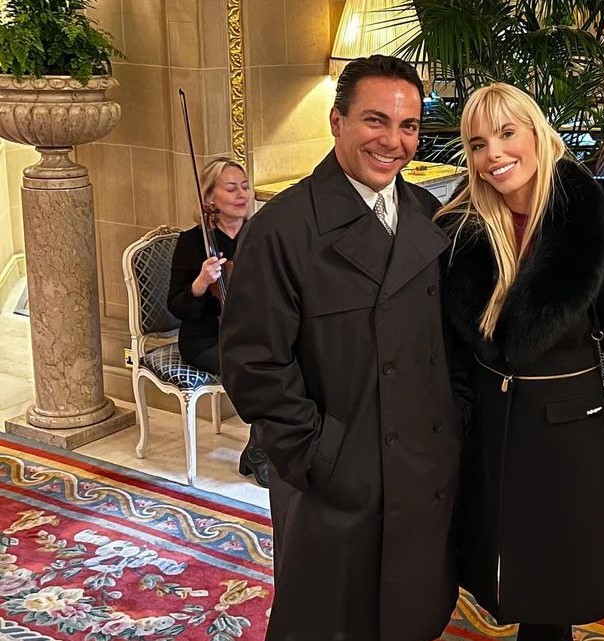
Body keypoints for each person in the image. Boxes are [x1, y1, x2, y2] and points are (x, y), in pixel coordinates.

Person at [219, 55, 461, 641]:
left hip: (422, 471)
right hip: (334, 481)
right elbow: (254, 365)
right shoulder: (282, 229)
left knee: (411, 619)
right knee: (329, 623)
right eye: (376, 120)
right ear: (337, 121)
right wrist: (320, 457)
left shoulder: (430, 215)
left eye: (408, 126)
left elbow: (451, 342)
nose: (393, 142)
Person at [435, 83, 604, 641]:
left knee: (553, 583)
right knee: (497, 559)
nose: (493, 155)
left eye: (506, 133)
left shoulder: (599, 233)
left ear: (538, 134)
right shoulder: (460, 231)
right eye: (478, 144)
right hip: (488, 422)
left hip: (568, 434)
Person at [167, 158, 269, 488]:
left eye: (245, 187)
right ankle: (261, 452)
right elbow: (177, 307)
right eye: (231, 188)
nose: (242, 195)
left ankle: (259, 447)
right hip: (206, 338)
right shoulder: (193, 242)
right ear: (210, 198)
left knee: (295, 362)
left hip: (253, 333)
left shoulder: (260, 235)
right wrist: (200, 283)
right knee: (252, 369)